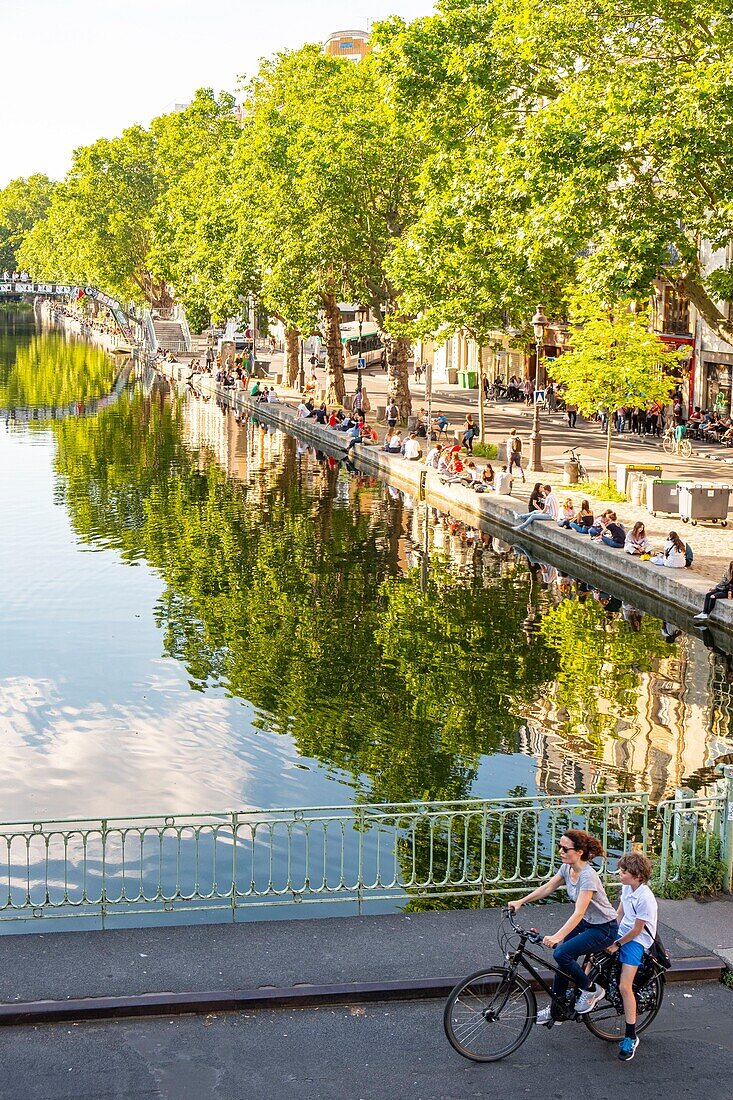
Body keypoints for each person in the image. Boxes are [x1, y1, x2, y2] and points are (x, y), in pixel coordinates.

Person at [509, 829, 618, 1022]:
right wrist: (521, 901)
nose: (560, 851)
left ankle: (591, 989)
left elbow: (579, 911)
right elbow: (548, 888)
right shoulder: (567, 869)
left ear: (579, 852)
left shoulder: (587, 876)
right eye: (559, 846)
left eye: (565, 848)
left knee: (561, 952)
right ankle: (556, 1010)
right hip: (587, 923)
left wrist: (558, 936)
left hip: (604, 928)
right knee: (562, 962)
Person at [606, 852, 658, 1061]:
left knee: (624, 987)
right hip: (622, 932)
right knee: (592, 951)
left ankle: (630, 1036)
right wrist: (608, 933)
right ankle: (588, 994)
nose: (620, 873)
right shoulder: (627, 888)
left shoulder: (646, 898)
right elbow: (620, 914)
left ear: (637, 875)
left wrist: (617, 944)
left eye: (624, 871)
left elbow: (638, 930)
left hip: (636, 941)